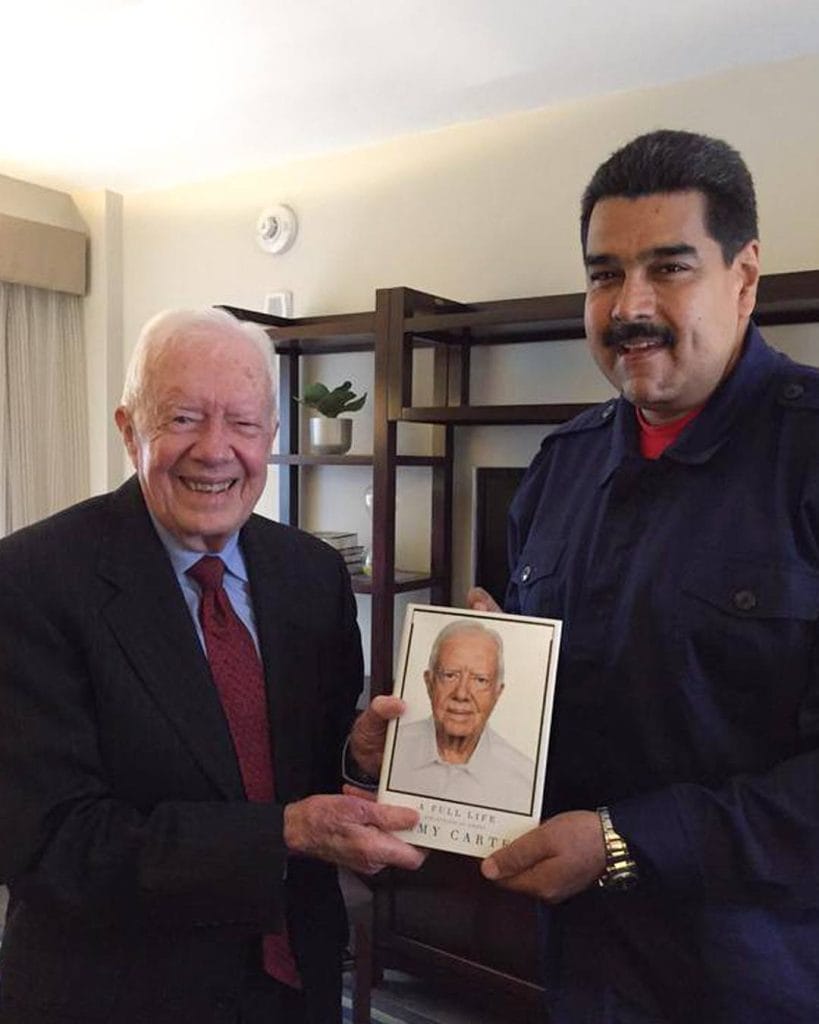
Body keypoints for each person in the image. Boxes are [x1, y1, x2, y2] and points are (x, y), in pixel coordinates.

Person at [467, 130, 819, 1023]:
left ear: (743, 279)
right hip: (584, 963)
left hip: (769, 972)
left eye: (668, 268)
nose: (628, 306)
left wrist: (625, 841)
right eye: (601, 274)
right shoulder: (560, 467)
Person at [0, 307, 424, 1024]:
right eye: (185, 418)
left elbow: (300, 764)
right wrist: (282, 833)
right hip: (118, 993)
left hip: (296, 981)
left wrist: (355, 754)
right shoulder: (30, 580)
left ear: (272, 438)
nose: (215, 450)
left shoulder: (313, 574)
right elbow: (51, 844)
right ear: (129, 429)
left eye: (244, 424)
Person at [388, 620, 534, 812]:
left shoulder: (524, 778)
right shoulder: (390, 751)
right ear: (429, 682)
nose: (462, 694)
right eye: (450, 675)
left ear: (497, 693)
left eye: (480, 680)